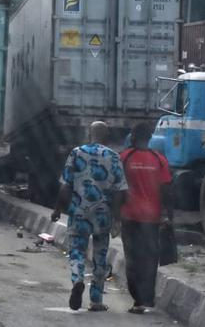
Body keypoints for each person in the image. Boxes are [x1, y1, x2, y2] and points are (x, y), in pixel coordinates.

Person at [51, 121, 128, 312]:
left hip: (79, 211)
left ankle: (77, 279)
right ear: (107, 135)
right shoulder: (114, 157)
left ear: (89, 133)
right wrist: (117, 218)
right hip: (103, 214)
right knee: (100, 256)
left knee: (77, 250)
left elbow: (66, 185)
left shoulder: (77, 152)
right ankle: (96, 300)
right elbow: (120, 191)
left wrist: (58, 208)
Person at [119, 122, 173, 315]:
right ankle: (147, 298)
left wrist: (115, 216)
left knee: (132, 258)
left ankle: (138, 301)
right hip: (152, 218)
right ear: (150, 138)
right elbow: (166, 190)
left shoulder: (124, 157)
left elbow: (119, 189)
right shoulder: (159, 159)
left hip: (130, 217)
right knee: (149, 258)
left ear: (133, 136)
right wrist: (168, 216)